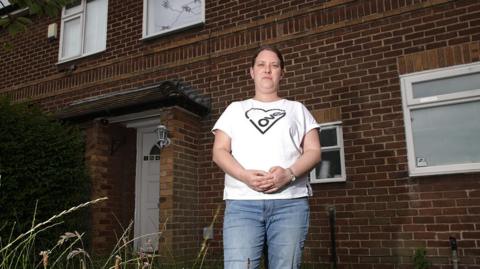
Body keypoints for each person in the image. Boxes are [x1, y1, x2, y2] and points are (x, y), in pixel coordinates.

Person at [212, 45, 321, 269]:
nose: (267, 70)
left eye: (274, 65)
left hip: (290, 204)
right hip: (242, 205)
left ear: (282, 72)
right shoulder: (235, 109)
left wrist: (289, 174)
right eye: (261, 65)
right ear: (252, 72)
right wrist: (244, 175)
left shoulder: (297, 109)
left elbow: (314, 151)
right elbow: (219, 151)